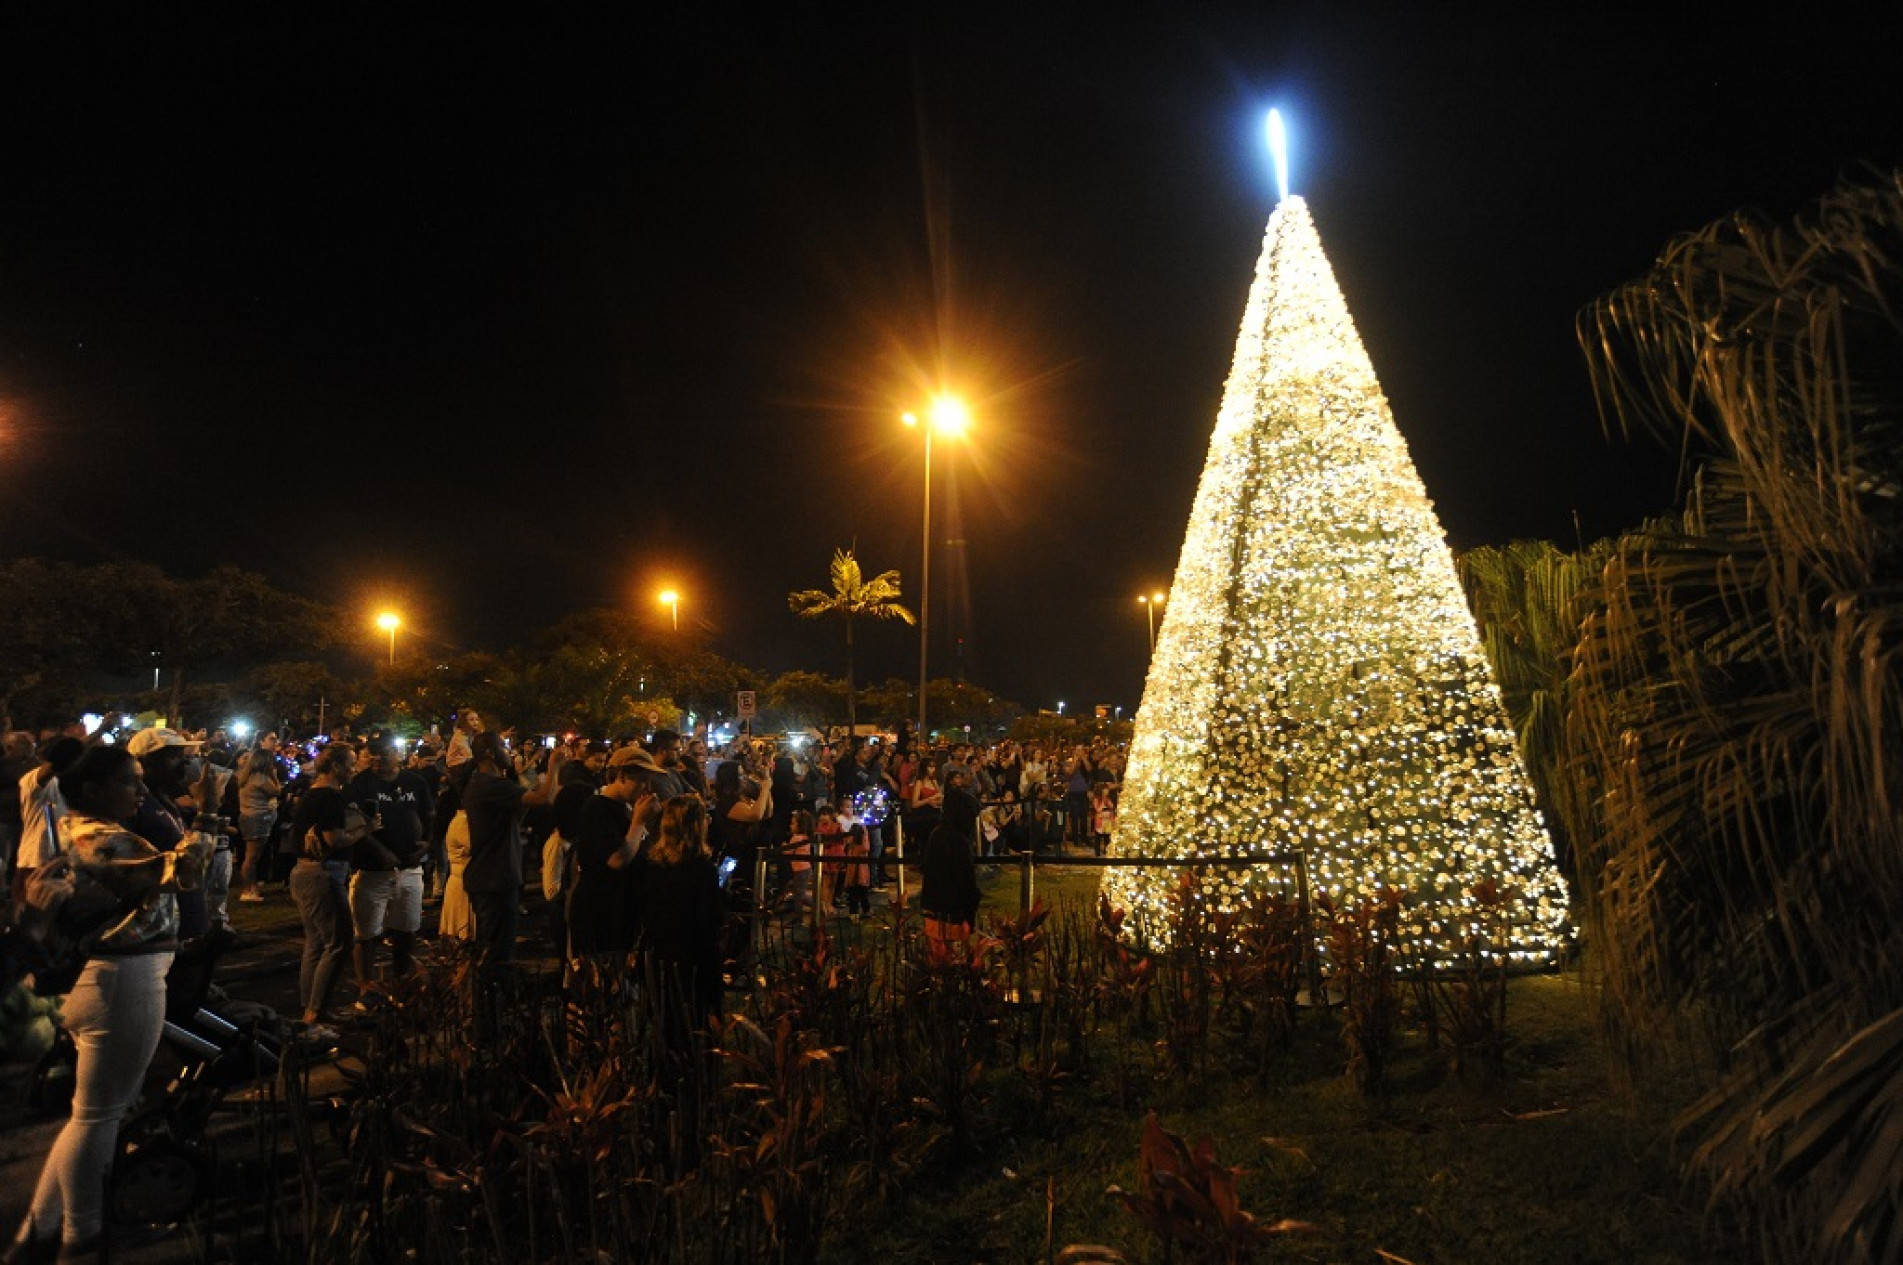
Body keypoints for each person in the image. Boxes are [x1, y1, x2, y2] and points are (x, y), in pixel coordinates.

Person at [8, 743, 211, 1263]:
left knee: (90, 1115)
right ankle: (83, 1237)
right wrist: (203, 838)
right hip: (124, 978)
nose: (141, 791)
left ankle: (39, 1232)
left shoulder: (84, 830)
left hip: (113, 979)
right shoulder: (96, 836)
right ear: (92, 791)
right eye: (130, 782)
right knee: (101, 1117)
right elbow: (174, 871)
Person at [289, 742, 370, 1040]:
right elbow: (334, 840)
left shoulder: (313, 794)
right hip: (322, 874)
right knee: (339, 942)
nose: (354, 769)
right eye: (350, 763)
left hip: (305, 873)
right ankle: (314, 1014)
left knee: (316, 944)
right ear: (335, 766)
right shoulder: (330, 798)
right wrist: (365, 829)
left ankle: (312, 1008)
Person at [345, 739, 433, 993]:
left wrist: (426, 842)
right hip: (373, 870)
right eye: (372, 755)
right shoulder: (361, 784)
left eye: (383, 754)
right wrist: (379, 850)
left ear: (397, 754)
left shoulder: (415, 782)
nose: (378, 760)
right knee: (366, 931)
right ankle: (366, 985)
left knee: (407, 926)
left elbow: (428, 813)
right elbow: (353, 821)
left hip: (409, 867)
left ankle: (402, 977)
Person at [564, 748, 657, 961]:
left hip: (622, 911)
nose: (647, 789)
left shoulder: (624, 807)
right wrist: (639, 822)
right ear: (622, 776)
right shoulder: (597, 808)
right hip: (601, 914)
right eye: (642, 781)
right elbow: (617, 859)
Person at [918, 781, 982, 960]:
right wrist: (970, 912)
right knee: (951, 964)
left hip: (934, 911)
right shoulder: (958, 841)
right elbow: (966, 881)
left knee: (936, 963)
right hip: (952, 914)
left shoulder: (937, 834)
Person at [235, 735, 282, 901]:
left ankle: (251, 888)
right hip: (257, 819)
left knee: (252, 857)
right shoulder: (260, 778)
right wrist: (275, 776)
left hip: (252, 817)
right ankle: (247, 890)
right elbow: (276, 791)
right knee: (251, 857)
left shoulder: (246, 776)